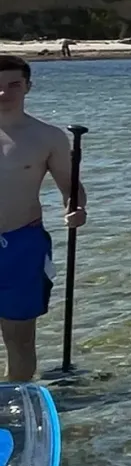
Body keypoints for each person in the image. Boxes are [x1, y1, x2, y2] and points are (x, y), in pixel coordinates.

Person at [0, 56, 86, 381]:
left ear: (28, 87)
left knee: (19, 338)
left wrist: (76, 208)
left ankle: (16, 403)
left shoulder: (46, 137)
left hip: (22, 244)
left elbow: (71, 187)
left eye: (13, 85)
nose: (3, 93)